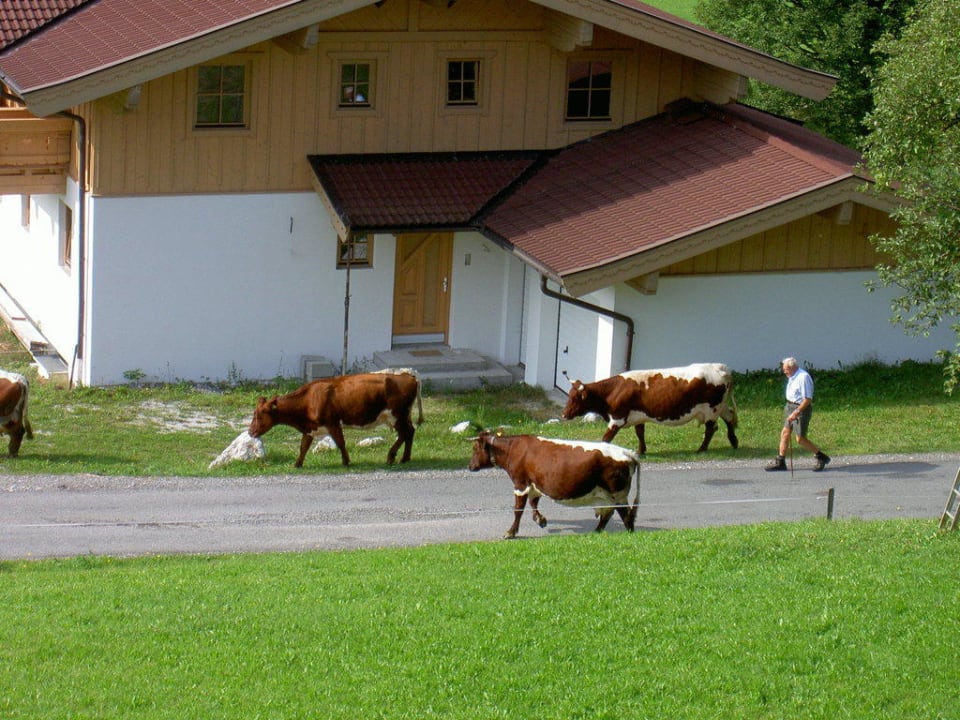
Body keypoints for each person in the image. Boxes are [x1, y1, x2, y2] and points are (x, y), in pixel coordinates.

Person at [765, 357, 830, 472]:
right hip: (789, 406)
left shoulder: (803, 377)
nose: (784, 372)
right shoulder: (792, 376)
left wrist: (796, 412)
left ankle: (821, 457)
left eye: (785, 369)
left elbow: (808, 399)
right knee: (785, 433)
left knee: (800, 439)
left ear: (792, 367)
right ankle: (780, 461)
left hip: (801, 409)